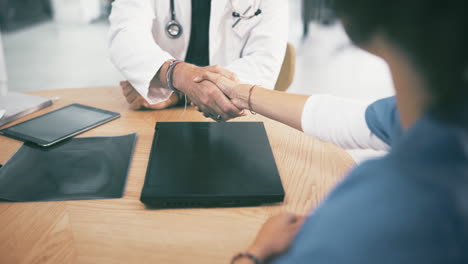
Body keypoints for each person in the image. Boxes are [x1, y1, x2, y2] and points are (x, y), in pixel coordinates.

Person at [194, 0, 468, 263]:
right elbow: (354, 119)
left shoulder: (387, 213)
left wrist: (253, 253)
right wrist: (241, 93)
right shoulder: (441, 115)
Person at [108, 0, 288, 121]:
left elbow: (263, 61)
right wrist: (176, 74)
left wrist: (176, 92)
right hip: (160, 118)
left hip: (234, 118)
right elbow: (124, 35)